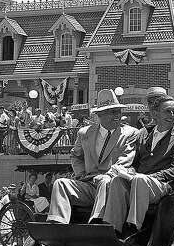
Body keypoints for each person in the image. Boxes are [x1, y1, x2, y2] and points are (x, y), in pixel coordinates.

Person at [98, 95, 174, 237]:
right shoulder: (143, 133)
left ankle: (133, 229)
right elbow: (135, 162)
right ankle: (112, 229)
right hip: (140, 183)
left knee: (140, 180)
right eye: (167, 111)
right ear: (155, 114)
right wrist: (127, 171)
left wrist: (149, 177)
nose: (172, 115)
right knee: (117, 181)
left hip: (165, 186)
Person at [46, 89, 137, 226]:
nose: (117, 115)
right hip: (88, 184)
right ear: (99, 115)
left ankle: (97, 222)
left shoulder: (130, 133)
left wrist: (108, 174)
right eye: (111, 112)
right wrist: (81, 174)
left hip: (112, 185)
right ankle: (58, 224)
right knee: (61, 183)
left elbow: (125, 160)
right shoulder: (84, 133)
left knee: (104, 181)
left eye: (118, 111)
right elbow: (76, 156)